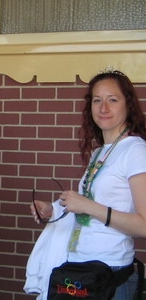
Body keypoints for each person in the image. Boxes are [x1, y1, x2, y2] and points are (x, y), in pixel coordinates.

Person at [29, 69, 146, 299]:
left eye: (112, 100)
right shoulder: (99, 153)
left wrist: (86, 206)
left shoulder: (135, 151)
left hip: (109, 273)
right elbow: (90, 204)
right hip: (80, 268)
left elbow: (144, 225)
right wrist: (53, 209)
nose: (103, 108)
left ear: (128, 105)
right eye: (97, 100)